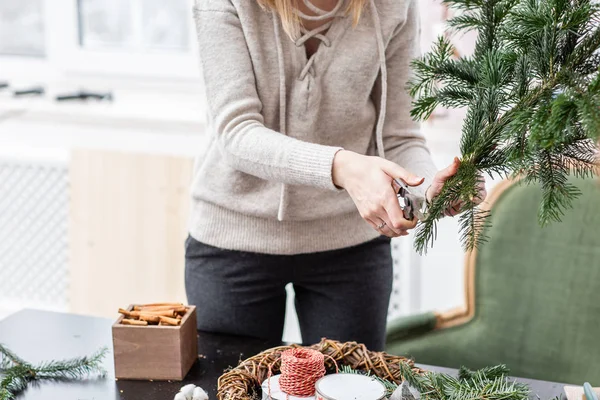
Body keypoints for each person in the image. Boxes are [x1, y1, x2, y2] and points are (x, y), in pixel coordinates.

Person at [185, 0, 485, 351]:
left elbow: (399, 135)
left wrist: (429, 185)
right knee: (233, 387)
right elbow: (236, 133)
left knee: (354, 386)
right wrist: (343, 168)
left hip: (350, 247)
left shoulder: (394, 6)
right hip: (233, 239)